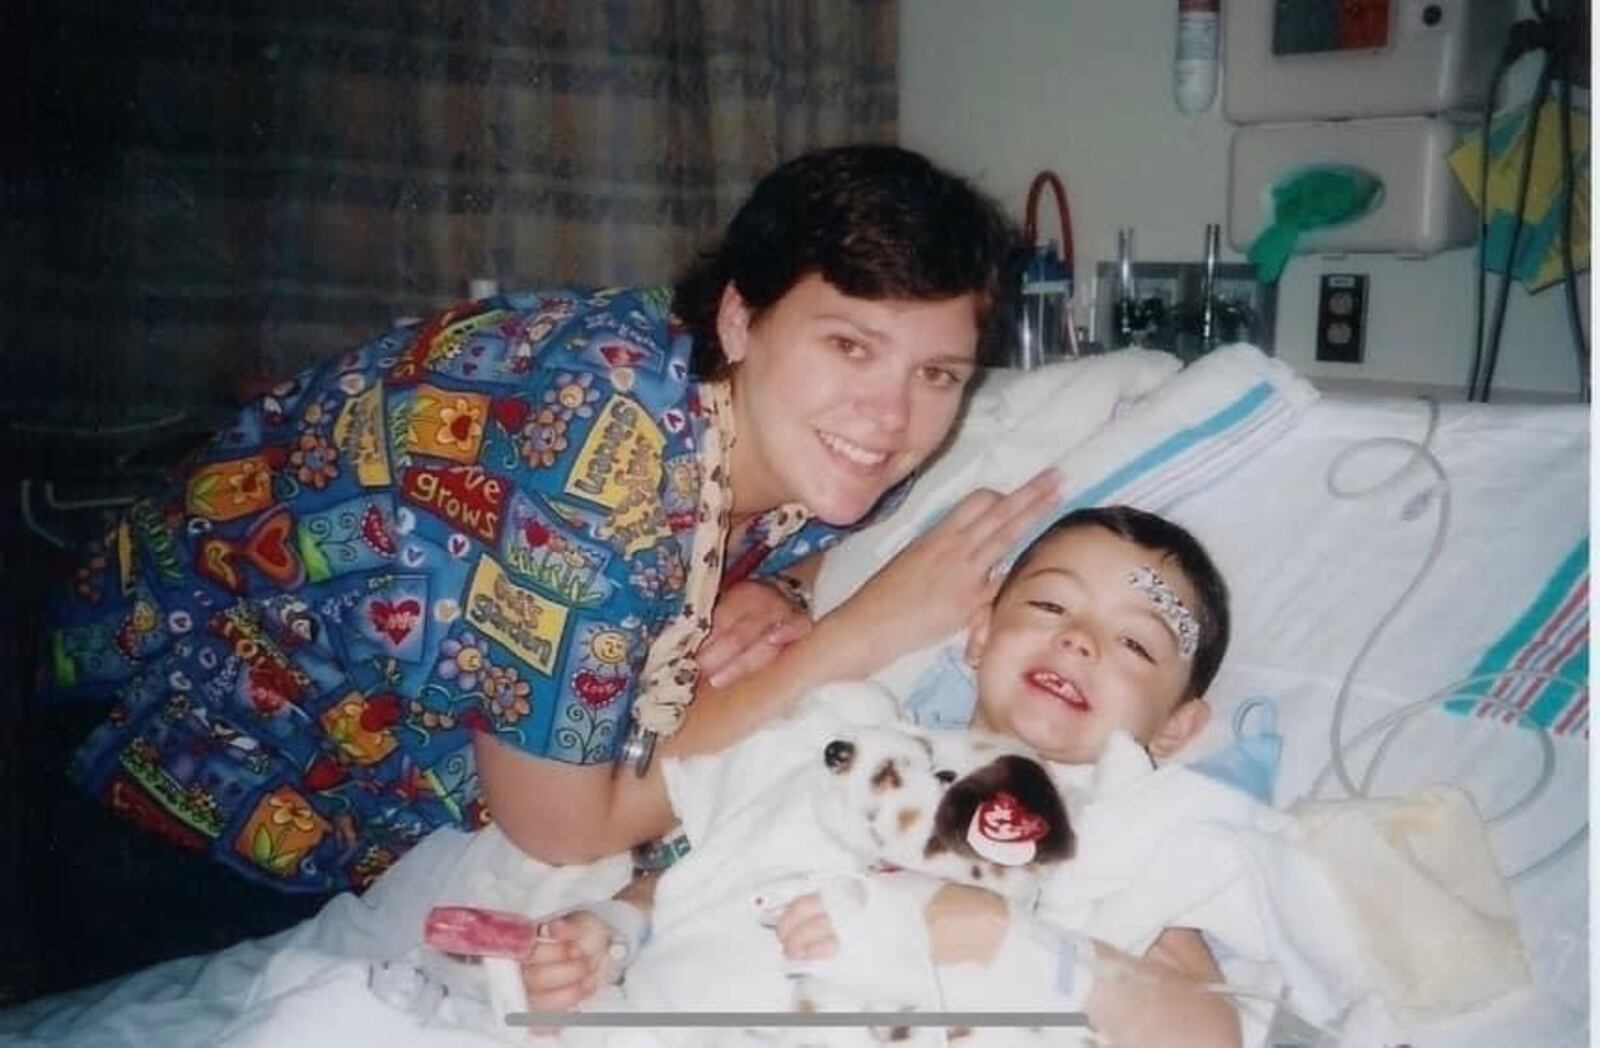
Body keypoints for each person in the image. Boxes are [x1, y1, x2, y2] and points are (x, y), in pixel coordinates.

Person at [39, 144, 1061, 894]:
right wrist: (859, 635)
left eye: (936, 373)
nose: (887, 417)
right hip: (164, 770)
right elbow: (567, 828)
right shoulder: (595, 477)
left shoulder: (768, 417)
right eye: (848, 346)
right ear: (741, 318)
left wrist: (783, 586)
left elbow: (789, 524)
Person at [523, 506, 1242, 1048]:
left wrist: (1006, 943)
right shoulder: (845, 743)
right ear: (982, 634)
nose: (1079, 639)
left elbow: (1210, 1028)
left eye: (1135, 644)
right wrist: (609, 931)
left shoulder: (1111, 828)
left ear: (1176, 726)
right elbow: (706, 871)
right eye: (1051, 605)